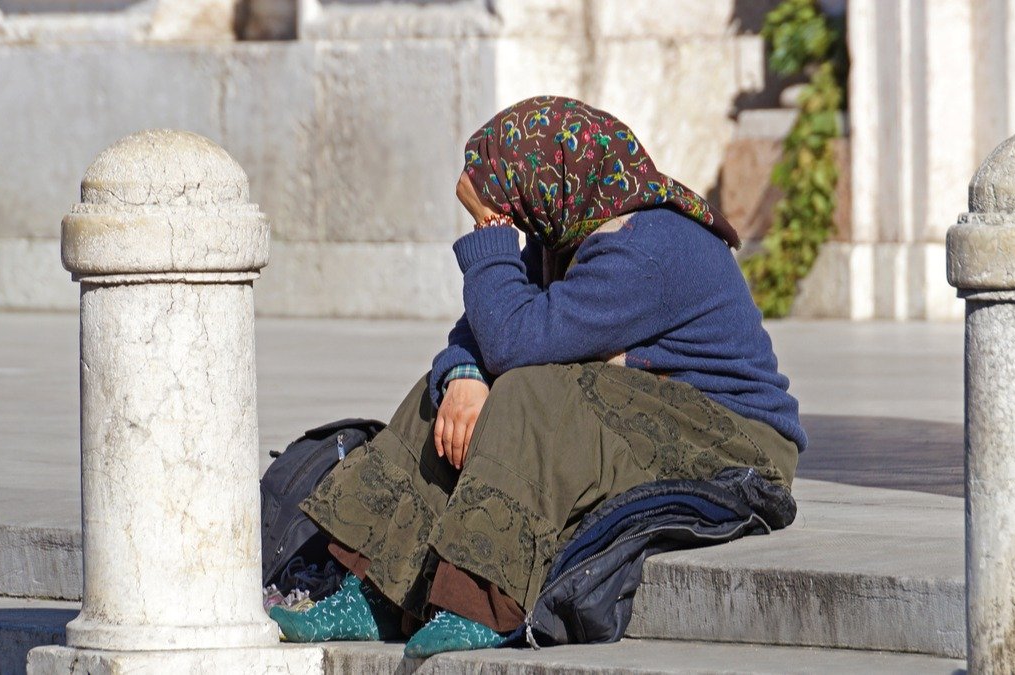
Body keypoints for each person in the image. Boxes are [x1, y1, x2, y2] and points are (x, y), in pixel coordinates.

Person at [269, 95, 806, 657]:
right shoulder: (568, 233)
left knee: (529, 392)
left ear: (551, 181)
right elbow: (479, 334)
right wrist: (463, 377)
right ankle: (377, 591)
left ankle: (483, 600)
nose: (512, 225)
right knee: (448, 398)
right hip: (641, 410)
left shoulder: (650, 246)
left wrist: (486, 238)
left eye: (509, 210)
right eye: (502, 215)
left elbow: (515, 342)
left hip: (731, 437)